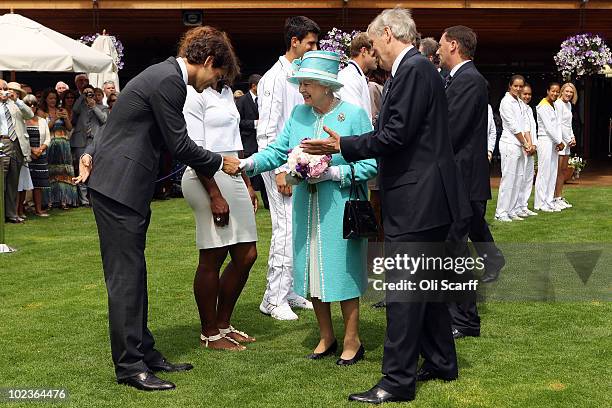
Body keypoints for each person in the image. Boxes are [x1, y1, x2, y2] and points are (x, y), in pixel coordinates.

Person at [301, 8, 470, 403]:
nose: (371, 50)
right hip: (427, 196)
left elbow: (393, 136)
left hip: (416, 198)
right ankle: (443, 361)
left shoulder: (412, 70)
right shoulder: (419, 69)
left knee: (403, 292)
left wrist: (341, 145)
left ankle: (396, 381)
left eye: (373, 41)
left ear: (389, 33)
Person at [73, 26, 241, 392]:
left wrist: (90, 153)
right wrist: (220, 161)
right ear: (209, 61)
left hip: (122, 187)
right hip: (119, 190)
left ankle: (145, 353)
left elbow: (120, 125)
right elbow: (179, 144)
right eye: (217, 76)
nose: (215, 83)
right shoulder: (170, 80)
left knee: (134, 276)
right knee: (126, 280)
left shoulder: (162, 75)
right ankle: (130, 366)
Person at [241, 50, 377, 365]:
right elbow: (276, 151)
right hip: (305, 207)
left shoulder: (353, 115)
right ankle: (326, 336)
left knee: (343, 272)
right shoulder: (299, 116)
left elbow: (371, 164)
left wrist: (334, 173)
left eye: (307, 84)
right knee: (311, 270)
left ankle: (352, 340)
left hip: (341, 209)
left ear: (326, 86)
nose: (302, 90)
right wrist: (248, 164)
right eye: (301, 84)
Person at [437, 26, 504, 340]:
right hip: (459, 181)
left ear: (453, 45)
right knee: (452, 250)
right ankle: (457, 313)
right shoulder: (459, 79)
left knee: (455, 251)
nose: (437, 50)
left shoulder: (470, 80)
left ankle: (464, 319)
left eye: (440, 44)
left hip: (463, 182)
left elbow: (451, 130)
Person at [182, 78, 258, 351]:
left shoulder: (226, 92)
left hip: (233, 172)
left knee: (247, 254)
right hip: (205, 175)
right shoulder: (193, 94)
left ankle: (224, 324)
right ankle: (209, 332)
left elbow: (235, 145)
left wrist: (247, 184)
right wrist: (214, 194)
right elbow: (194, 150)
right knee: (213, 254)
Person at [256, 15, 320, 320]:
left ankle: (290, 289)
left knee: (297, 229)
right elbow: (267, 131)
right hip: (278, 164)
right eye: (310, 43)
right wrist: (280, 169)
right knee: (284, 229)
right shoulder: (273, 78)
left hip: (297, 163)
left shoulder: (298, 76)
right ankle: (272, 297)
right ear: (294, 41)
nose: (314, 47)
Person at [494, 75, 533, 222]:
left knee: (518, 179)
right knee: (509, 179)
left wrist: (528, 142)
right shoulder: (506, 102)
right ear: (510, 86)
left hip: (520, 145)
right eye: (515, 86)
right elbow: (513, 126)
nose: (518, 89)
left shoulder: (520, 103)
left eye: (520, 86)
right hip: (510, 144)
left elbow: (525, 124)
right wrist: (525, 142)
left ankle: (511, 210)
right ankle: (501, 212)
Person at [38, 88, 78, 210]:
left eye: (55, 98)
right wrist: (55, 118)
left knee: (64, 172)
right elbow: (45, 128)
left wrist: (65, 118)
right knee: (50, 172)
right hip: (50, 143)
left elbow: (70, 128)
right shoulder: (42, 112)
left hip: (63, 144)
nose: (53, 100)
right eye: (50, 98)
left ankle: (64, 200)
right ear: (46, 99)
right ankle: (49, 201)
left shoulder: (62, 110)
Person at [1, 80, 34, 223]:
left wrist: (17, 100)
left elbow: (30, 115)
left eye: (5, 88)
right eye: (1, 88)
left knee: (13, 181)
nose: (4, 91)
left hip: (17, 143)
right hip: (2, 142)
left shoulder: (15, 104)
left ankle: (11, 214)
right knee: (0, 180)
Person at [71, 84, 108, 206]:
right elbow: (74, 110)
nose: (90, 95)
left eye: (92, 93)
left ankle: (94, 197)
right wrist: (82, 96)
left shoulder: (102, 108)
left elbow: (104, 120)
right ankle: (84, 199)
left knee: (95, 169)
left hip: (95, 141)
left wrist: (94, 107)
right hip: (81, 140)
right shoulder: (80, 107)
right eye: (88, 93)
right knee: (82, 168)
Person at [236, 74, 269, 209]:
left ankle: (267, 202)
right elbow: (238, 122)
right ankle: (247, 200)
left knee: (264, 173)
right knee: (248, 173)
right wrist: (255, 123)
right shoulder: (242, 101)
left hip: (263, 141)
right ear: (253, 86)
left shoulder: (265, 100)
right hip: (248, 142)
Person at [534, 82, 564, 212]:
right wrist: (559, 141)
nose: (555, 94)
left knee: (552, 172)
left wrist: (558, 141)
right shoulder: (543, 106)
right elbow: (549, 128)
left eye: (557, 92)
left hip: (553, 142)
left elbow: (557, 126)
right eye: (553, 91)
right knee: (544, 172)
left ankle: (548, 200)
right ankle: (540, 203)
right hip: (545, 140)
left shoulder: (554, 105)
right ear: (547, 91)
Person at [337, 32, 378, 119]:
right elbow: (354, 117)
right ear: (364, 51)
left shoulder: (356, 75)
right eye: (374, 54)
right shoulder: (348, 77)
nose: (378, 57)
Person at [23, 94, 51, 217]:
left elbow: (48, 139)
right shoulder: (22, 121)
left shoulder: (42, 121)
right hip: (26, 155)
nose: (32, 107)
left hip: (40, 155)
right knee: (23, 184)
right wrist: (31, 151)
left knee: (38, 184)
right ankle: (21, 209)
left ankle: (38, 209)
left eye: (34, 104)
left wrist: (40, 150)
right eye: (29, 105)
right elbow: (21, 139)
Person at [553, 82, 578, 209]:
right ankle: (553, 198)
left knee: (563, 171)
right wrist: (568, 139)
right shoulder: (558, 104)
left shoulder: (568, 105)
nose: (569, 94)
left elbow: (568, 124)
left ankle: (559, 196)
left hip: (567, 141)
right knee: (557, 171)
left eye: (571, 92)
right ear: (562, 91)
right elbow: (559, 125)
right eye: (567, 91)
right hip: (560, 142)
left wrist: (572, 137)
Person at [517, 83, 538, 216]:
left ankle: (524, 205)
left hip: (531, 146)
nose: (527, 96)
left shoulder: (529, 109)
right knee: (521, 177)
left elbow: (533, 129)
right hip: (523, 146)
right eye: (525, 94)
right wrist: (528, 144)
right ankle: (517, 206)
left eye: (529, 94)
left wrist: (534, 145)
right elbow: (523, 128)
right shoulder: (518, 107)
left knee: (529, 177)